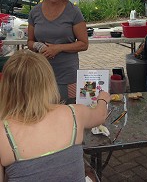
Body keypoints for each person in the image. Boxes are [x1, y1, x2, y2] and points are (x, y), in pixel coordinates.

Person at [0, 50, 111, 182]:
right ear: (49, 82)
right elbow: (100, 115)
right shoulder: (74, 113)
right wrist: (103, 99)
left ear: (6, 86)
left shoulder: (3, 131)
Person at [28, 0, 89, 102]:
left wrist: (58, 48)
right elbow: (30, 42)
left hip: (67, 74)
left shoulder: (73, 12)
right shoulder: (35, 12)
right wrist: (38, 46)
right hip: (41, 73)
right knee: (43, 111)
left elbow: (84, 44)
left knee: (68, 109)